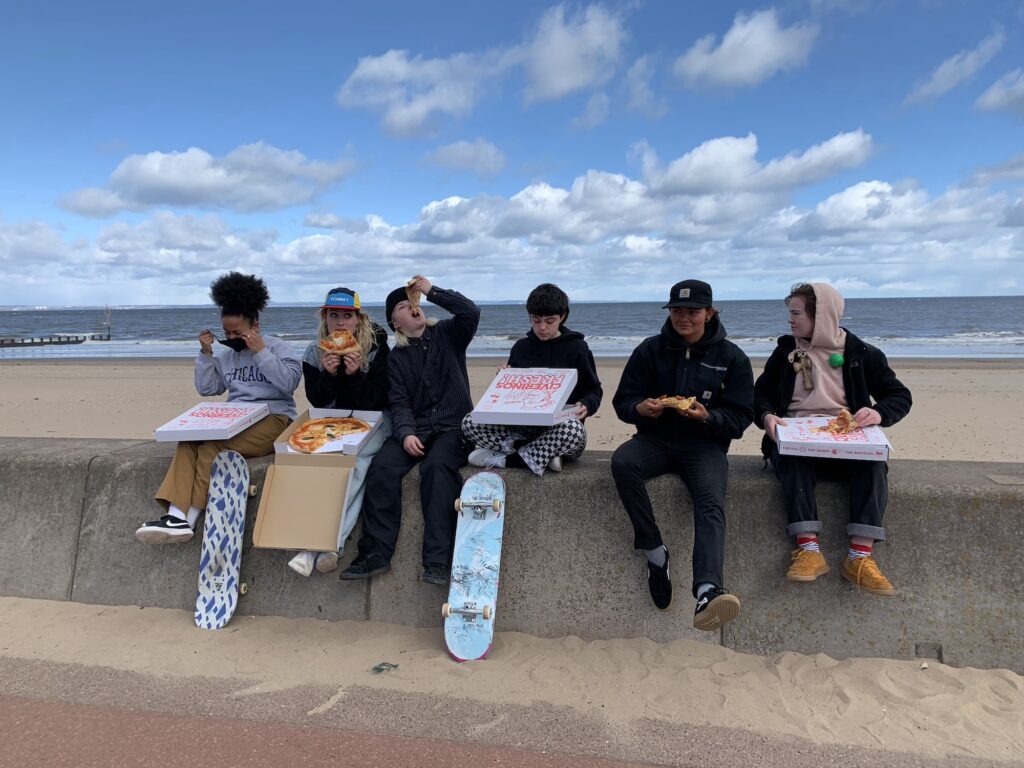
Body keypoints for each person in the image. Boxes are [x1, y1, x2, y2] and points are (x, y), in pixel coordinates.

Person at [610, 279, 753, 631]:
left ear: (710, 312)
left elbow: (740, 418)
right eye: (677, 310)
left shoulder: (732, 357)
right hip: (655, 440)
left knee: (709, 502)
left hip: (704, 446)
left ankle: (707, 589)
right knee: (622, 462)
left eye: (692, 311)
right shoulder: (650, 350)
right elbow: (622, 402)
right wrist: (641, 409)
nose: (683, 318)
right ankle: (655, 553)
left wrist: (708, 417)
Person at [753, 282, 912, 595]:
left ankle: (860, 558)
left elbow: (899, 396)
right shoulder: (786, 351)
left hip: (846, 441)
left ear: (821, 316)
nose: (791, 320)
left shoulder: (861, 354)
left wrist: (878, 413)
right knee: (791, 461)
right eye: (790, 314)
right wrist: (767, 416)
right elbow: (761, 394)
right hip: (798, 441)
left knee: (874, 465)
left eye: (796, 313)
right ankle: (808, 550)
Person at [136, 272, 301, 544]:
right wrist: (206, 353)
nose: (232, 337)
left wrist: (261, 352)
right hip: (236, 418)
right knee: (188, 442)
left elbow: (288, 383)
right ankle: (176, 516)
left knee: (212, 447)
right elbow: (208, 388)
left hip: (275, 419)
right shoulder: (227, 355)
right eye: (226, 332)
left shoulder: (278, 347)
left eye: (238, 332)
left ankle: (188, 517)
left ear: (255, 326)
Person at [340, 276, 480, 585]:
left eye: (414, 302)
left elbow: (470, 312)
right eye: (404, 305)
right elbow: (399, 402)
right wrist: (405, 433)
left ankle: (437, 561)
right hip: (416, 429)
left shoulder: (448, 334)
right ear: (395, 323)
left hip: (453, 428)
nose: (412, 307)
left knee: (437, 468)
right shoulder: (397, 359)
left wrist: (431, 291)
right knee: (381, 469)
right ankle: (375, 553)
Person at [286, 287, 392, 577]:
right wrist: (328, 375)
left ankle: (320, 545)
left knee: (356, 465)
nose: (341, 322)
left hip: (375, 420)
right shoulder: (313, 350)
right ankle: (326, 545)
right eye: (334, 315)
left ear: (358, 318)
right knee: (312, 464)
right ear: (325, 317)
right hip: (332, 422)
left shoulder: (376, 344)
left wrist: (356, 375)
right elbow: (318, 400)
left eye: (347, 316)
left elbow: (378, 399)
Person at [461, 283, 602, 475]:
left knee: (575, 430)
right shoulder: (521, 347)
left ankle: (508, 459)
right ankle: (541, 456)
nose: (542, 327)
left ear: (563, 317)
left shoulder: (578, 348)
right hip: (521, 429)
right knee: (469, 422)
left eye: (550, 321)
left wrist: (586, 404)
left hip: (558, 429)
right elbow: (509, 398)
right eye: (536, 320)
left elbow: (594, 391)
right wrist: (504, 380)